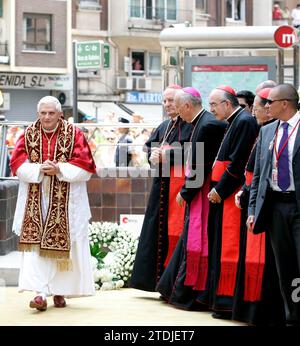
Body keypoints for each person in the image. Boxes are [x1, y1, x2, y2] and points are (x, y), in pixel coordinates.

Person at [10, 96, 96, 311]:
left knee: (68, 246)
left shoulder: (74, 133)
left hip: (68, 201)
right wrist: (38, 169)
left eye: (51, 113)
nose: (47, 117)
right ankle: (40, 293)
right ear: (38, 114)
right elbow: (17, 162)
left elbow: (86, 165)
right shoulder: (28, 133)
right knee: (37, 247)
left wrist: (60, 169)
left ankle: (60, 291)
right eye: (43, 113)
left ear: (60, 114)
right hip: (36, 199)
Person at [156, 87, 227, 309]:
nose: (177, 113)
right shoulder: (201, 122)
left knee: (198, 240)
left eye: (177, 107)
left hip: (202, 193)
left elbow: (201, 165)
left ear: (187, 106)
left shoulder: (207, 124)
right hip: (198, 190)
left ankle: (195, 294)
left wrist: (186, 192)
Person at [196, 85, 259, 319]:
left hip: (230, 194)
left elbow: (237, 163)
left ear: (227, 104)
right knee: (219, 245)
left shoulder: (243, 121)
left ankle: (227, 301)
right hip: (222, 192)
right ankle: (219, 300)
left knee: (229, 246)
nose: (211, 109)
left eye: (213, 104)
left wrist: (220, 190)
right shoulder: (233, 121)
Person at [130, 85, 192, 292]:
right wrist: (153, 155)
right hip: (162, 186)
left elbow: (196, 153)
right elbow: (149, 147)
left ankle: (170, 284)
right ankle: (154, 282)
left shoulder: (192, 124)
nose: (167, 105)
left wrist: (167, 155)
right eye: (165, 101)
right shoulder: (165, 125)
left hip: (180, 188)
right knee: (157, 230)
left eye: (171, 100)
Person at [247, 84, 300, 326]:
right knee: (285, 268)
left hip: (298, 207)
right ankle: (292, 317)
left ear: (285, 103)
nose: (266, 106)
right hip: (276, 207)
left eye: (271, 102)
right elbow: (259, 176)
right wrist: (252, 210)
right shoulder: (267, 132)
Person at [232, 88, 285, 326]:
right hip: (256, 199)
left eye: (257, 107)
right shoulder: (264, 131)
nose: (253, 112)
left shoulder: (279, 131)